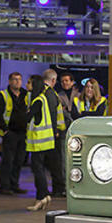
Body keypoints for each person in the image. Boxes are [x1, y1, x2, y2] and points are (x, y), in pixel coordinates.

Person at [0, 71, 29, 196]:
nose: (17, 81)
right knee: (7, 161)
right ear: (9, 81)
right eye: (14, 79)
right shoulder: (2, 95)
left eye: (19, 79)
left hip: (23, 133)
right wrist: (5, 130)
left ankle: (14, 185)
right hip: (10, 133)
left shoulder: (26, 95)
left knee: (19, 161)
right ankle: (4, 186)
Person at [25, 74, 54, 211]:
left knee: (38, 171)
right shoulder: (41, 99)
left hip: (39, 141)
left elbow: (27, 117)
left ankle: (42, 196)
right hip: (44, 141)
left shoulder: (38, 101)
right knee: (39, 170)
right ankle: (43, 196)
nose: (27, 85)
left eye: (29, 82)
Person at [41, 69, 68, 198]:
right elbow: (52, 114)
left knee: (53, 163)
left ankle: (58, 188)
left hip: (47, 134)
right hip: (55, 134)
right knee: (56, 163)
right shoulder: (51, 93)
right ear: (53, 80)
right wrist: (55, 131)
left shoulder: (42, 93)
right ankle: (59, 188)